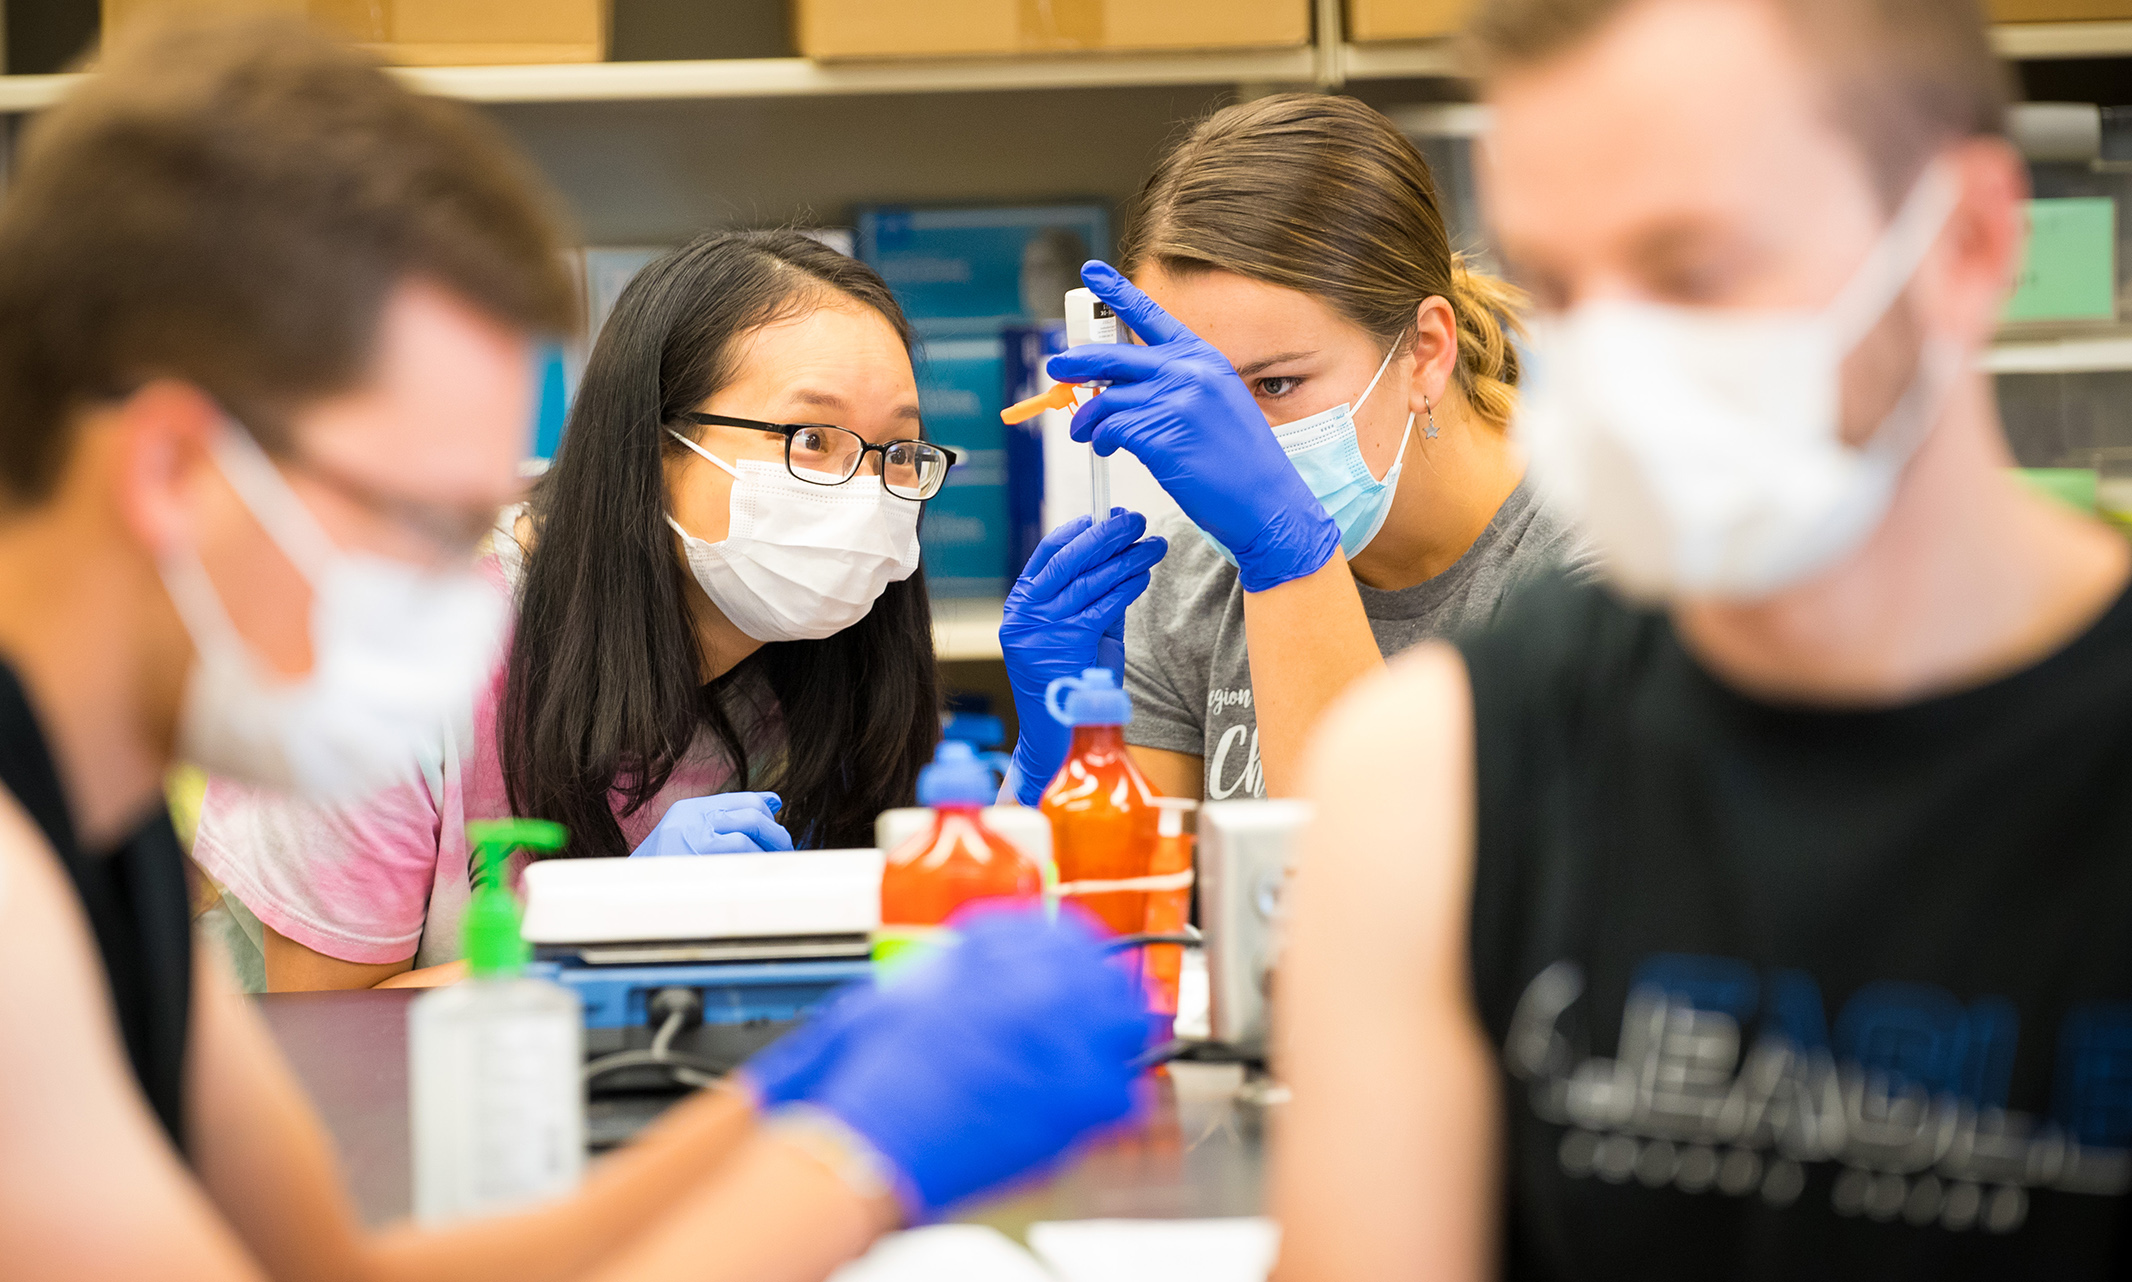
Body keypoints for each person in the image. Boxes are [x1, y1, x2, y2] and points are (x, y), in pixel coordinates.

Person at [0, 19, 1144, 1281]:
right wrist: (857, 1159)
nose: (466, 575)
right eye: (419, 519)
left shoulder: (97, 833)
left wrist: (773, 1112)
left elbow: (337, 1267)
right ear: (173, 467)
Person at [1275, 0, 2132, 1278]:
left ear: (1963, 245)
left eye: (1693, 272)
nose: (1616, 362)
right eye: (1561, 288)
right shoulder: (1433, 776)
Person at [194, 229, 949, 991]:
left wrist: (1040, 772)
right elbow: (326, 1033)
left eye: (899, 451)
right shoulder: (389, 657)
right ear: (654, 447)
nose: (865, 491)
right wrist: (607, 924)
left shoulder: (824, 668)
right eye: (811, 438)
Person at [998, 94, 1585, 806]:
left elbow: (1384, 894)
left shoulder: (1597, 576)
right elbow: (1129, 910)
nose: (1232, 441)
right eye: (1196, 392)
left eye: (1275, 382)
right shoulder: (1187, 583)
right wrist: (1061, 766)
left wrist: (1291, 560)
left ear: (1426, 352)